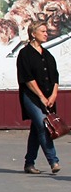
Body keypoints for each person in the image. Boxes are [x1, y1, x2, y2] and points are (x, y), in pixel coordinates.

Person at [17, 22, 61, 174]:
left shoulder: (47, 55)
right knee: (43, 126)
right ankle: (53, 161)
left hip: (48, 97)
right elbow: (28, 79)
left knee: (36, 130)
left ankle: (29, 163)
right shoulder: (25, 54)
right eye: (42, 31)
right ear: (33, 34)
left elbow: (55, 77)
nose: (46, 33)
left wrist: (54, 95)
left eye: (46, 31)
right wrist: (42, 96)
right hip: (32, 97)